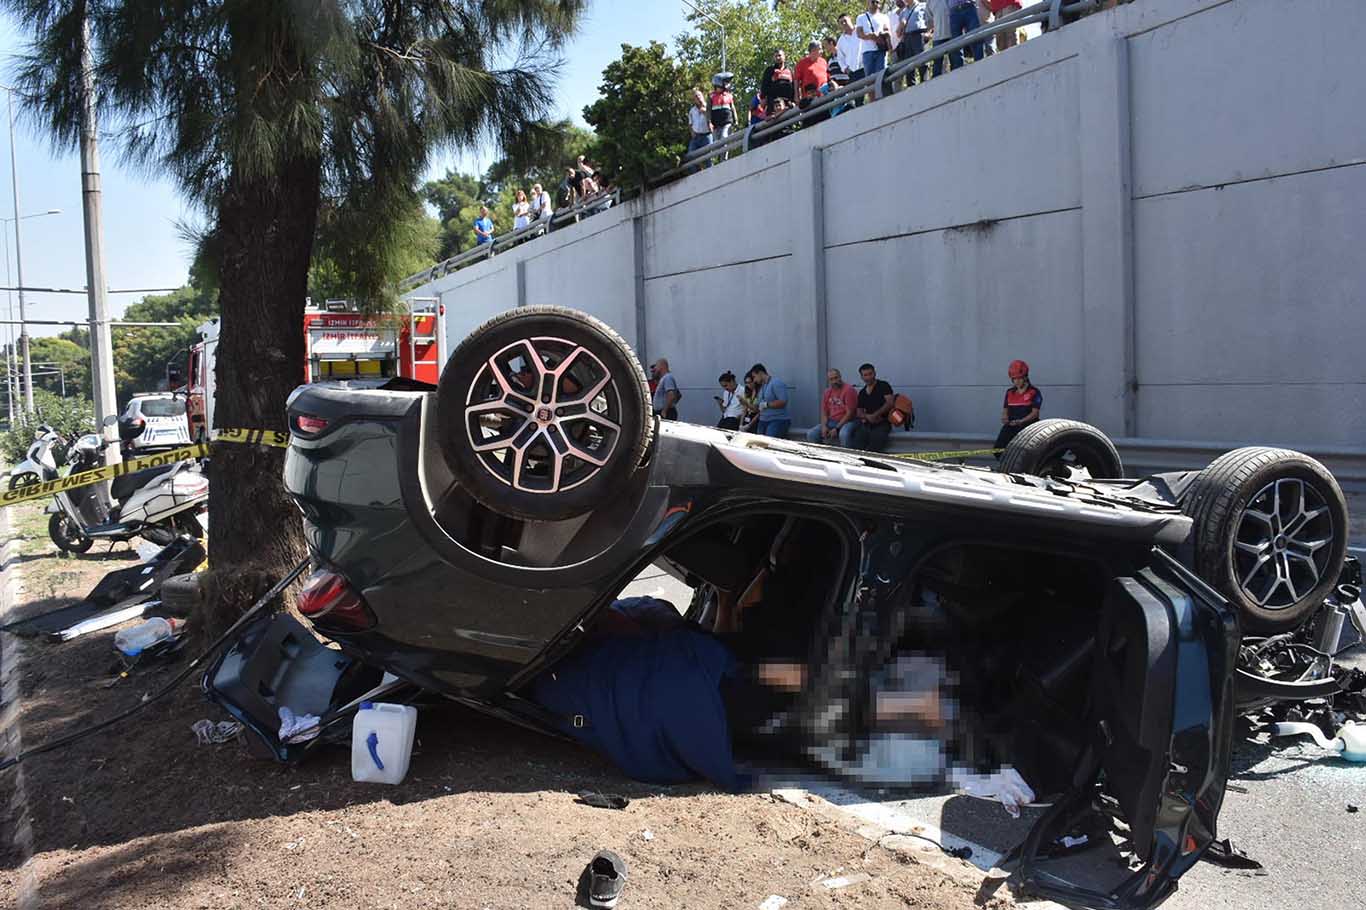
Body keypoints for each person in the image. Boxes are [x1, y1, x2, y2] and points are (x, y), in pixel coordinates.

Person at [994, 359, 1042, 454]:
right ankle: (1006, 467)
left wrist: (1021, 421)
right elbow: (1005, 410)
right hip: (1011, 425)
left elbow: (1035, 413)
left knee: (1023, 453)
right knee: (997, 450)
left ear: (1025, 377)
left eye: (1019, 378)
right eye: (1014, 379)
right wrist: (1005, 418)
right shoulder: (1009, 392)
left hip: (1027, 426)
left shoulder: (1034, 392)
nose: (1017, 381)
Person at [806, 368, 859, 447]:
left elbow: (850, 413)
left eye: (836, 378)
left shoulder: (849, 390)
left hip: (849, 421)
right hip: (832, 421)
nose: (834, 381)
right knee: (811, 434)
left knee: (843, 434)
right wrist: (824, 426)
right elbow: (824, 412)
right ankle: (821, 455)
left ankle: (847, 456)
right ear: (828, 381)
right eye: (831, 379)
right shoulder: (827, 392)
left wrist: (837, 428)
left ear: (840, 377)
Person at [855, 0, 893, 102]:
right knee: (870, 78)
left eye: (877, 2)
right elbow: (859, 33)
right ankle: (872, 101)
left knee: (882, 75)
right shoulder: (861, 17)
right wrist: (871, 36)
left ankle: (883, 98)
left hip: (881, 50)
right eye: (873, 1)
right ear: (868, 2)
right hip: (868, 51)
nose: (875, 4)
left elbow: (888, 31)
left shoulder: (884, 17)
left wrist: (882, 34)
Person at [851, 362, 895, 452]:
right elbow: (859, 412)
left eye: (870, 374)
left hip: (883, 423)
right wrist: (868, 417)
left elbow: (890, 403)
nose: (868, 377)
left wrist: (875, 415)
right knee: (856, 447)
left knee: (874, 449)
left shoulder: (883, 385)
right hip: (867, 425)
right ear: (862, 377)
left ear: (874, 373)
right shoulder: (862, 392)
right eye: (865, 375)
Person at [750, 363, 790, 438]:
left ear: (760, 373)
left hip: (777, 420)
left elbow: (783, 401)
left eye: (754, 377)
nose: (754, 380)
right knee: (759, 443)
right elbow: (757, 406)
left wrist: (766, 404)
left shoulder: (776, 383)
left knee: (769, 443)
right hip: (763, 420)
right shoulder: (762, 387)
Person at [897, 0, 931, 85]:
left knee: (923, 62)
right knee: (909, 65)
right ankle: (911, 87)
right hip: (907, 37)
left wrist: (929, 33)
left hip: (919, 35)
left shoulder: (923, 6)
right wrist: (901, 25)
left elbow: (931, 20)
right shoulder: (903, 12)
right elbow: (898, 33)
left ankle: (926, 85)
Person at [835, 15, 864, 104]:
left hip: (865, 65)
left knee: (872, 89)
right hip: (853, 72)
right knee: (858, 98)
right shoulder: (840, 41)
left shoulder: (860, 30)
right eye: (841, 23)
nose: (844, 23)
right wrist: (845, 69)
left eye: (845, 21)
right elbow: (840, 58)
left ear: (850, 19)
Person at [794, 41, 829, 111]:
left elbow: (828, 77)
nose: (822, 51)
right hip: (809, 100)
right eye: (820, 49)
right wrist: (797, 96)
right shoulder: (802, 63)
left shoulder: (823, 61)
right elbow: (796, 80)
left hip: (823, 97)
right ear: (813, 50)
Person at [709, 73, 738, 156]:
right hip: (716, 123)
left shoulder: (729, 95)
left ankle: (724, 158)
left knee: (724, 137)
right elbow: (708, 111)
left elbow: (733, 108)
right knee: (716, 142)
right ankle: (718, 158)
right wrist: (709, 122)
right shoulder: (711, 96)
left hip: (726, 121)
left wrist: (736, 119)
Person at [687, 88, 712, 171]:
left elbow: (713, 119)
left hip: (706, 135)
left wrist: (705, 111)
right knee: (690, 156)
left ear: (703, 96)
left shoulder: (708, 107)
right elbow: (690, 123)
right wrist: (692, 132)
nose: (698, 97)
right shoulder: (692, 110)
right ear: (694, 100)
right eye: (696, 96)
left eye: (699, 95)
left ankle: (712, 174)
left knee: (709, 158)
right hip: (696, 137)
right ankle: (697, 173)